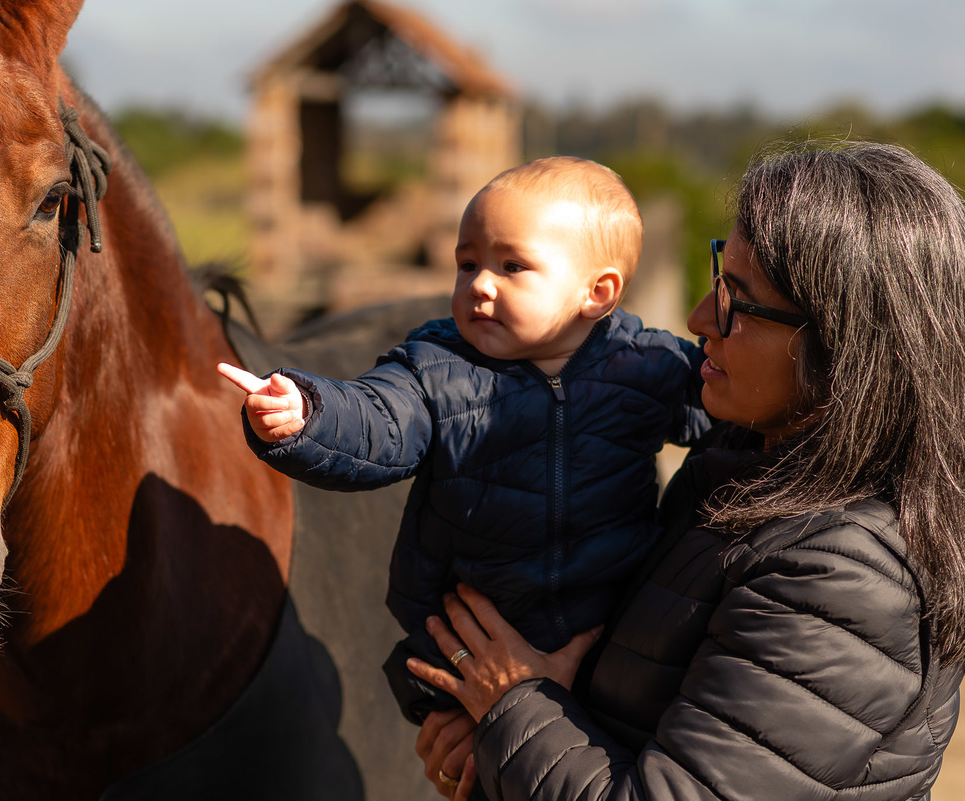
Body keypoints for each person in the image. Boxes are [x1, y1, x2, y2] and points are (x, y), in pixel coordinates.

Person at [408, 141, 965, 801]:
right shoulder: (747, 463)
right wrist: (507, 729)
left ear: (845, 342)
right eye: (716, 277)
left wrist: (515, 703)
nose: (701, 320)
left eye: (738, 301)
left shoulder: (844, 575)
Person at [218, 157, 710, 732]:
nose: (479, 283)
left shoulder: (647, 363)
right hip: (469, 648)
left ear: (596, 293)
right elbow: (378, 422)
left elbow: (723, 411)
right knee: (474, 760)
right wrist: (306, 413)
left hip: (616, 631)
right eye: (467, 262)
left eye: (512, 266)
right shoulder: (437, 366)